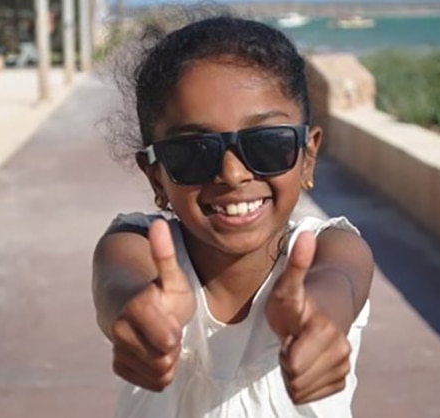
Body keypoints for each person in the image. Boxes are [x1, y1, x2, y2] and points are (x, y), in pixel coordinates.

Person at [92, 7, 374, 418]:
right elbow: (116, 285)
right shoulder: (136, 247)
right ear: (156, 177)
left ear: (308, 156)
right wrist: (136, 312)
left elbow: (339, 281)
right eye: (193, 151)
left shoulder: (330, 248)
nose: (233, 173)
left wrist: (322, 318)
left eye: (267, 143)